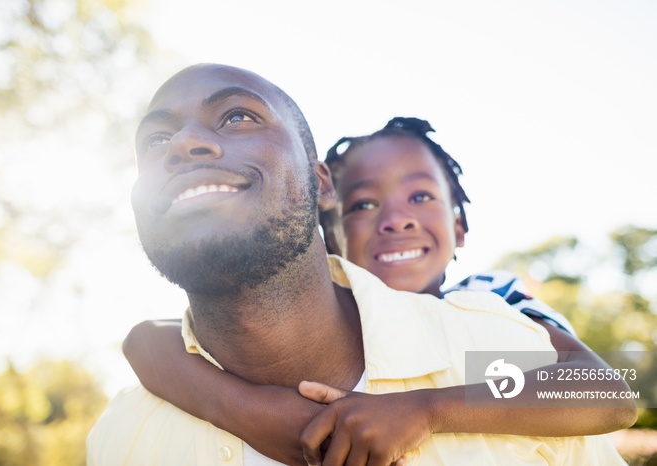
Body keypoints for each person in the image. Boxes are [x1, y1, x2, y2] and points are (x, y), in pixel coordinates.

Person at [87, 63, 632, 466]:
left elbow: (609, 392)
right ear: (332, 222)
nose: (394, 222)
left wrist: (426, 409)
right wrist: (242, 407)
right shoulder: (130, 431)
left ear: (460, 227)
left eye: (421, 199)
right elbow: (148, 340)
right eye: (365, 206)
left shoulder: (495, 312)